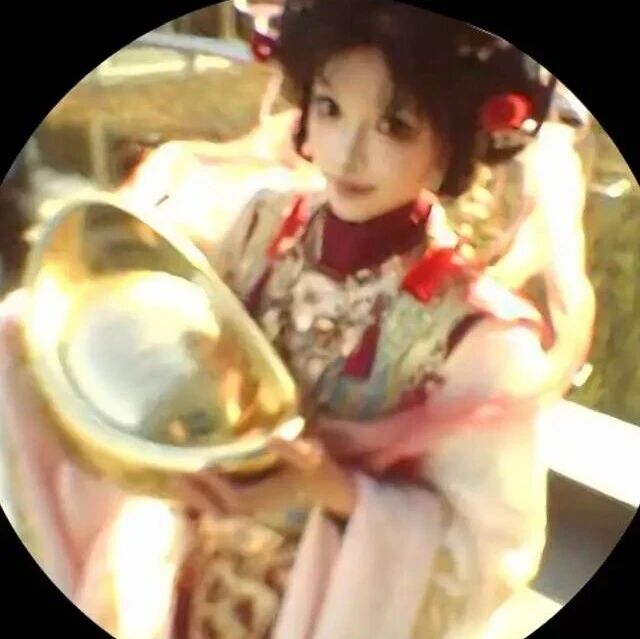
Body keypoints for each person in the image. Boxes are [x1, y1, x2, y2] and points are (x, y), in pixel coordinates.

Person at [0, 2, 590, 638]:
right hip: (181, 577)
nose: (346, 153)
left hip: (317, 606)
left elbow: (487, 558)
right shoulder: (258, 224)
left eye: (393, 126)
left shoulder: (478, 338)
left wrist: (332, 490)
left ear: (450, 144)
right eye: (330, 108)